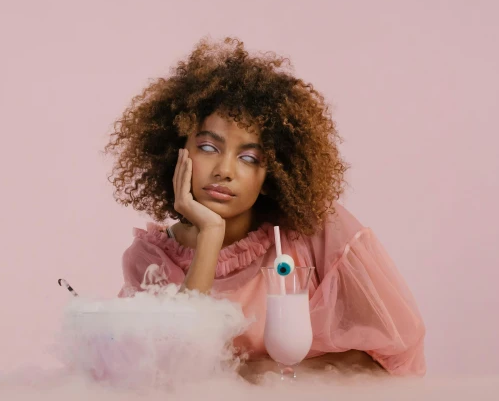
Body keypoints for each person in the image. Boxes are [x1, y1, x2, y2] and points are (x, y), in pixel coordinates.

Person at [104, 37, 426, 377]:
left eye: (248, 157)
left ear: (272, 172)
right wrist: (211, 234)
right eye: (208, 147)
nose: (225, 171)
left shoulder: (314, 235)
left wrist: (264, 377)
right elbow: (172, 373)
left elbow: (389, 362)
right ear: (175, 150)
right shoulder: (150, 261)